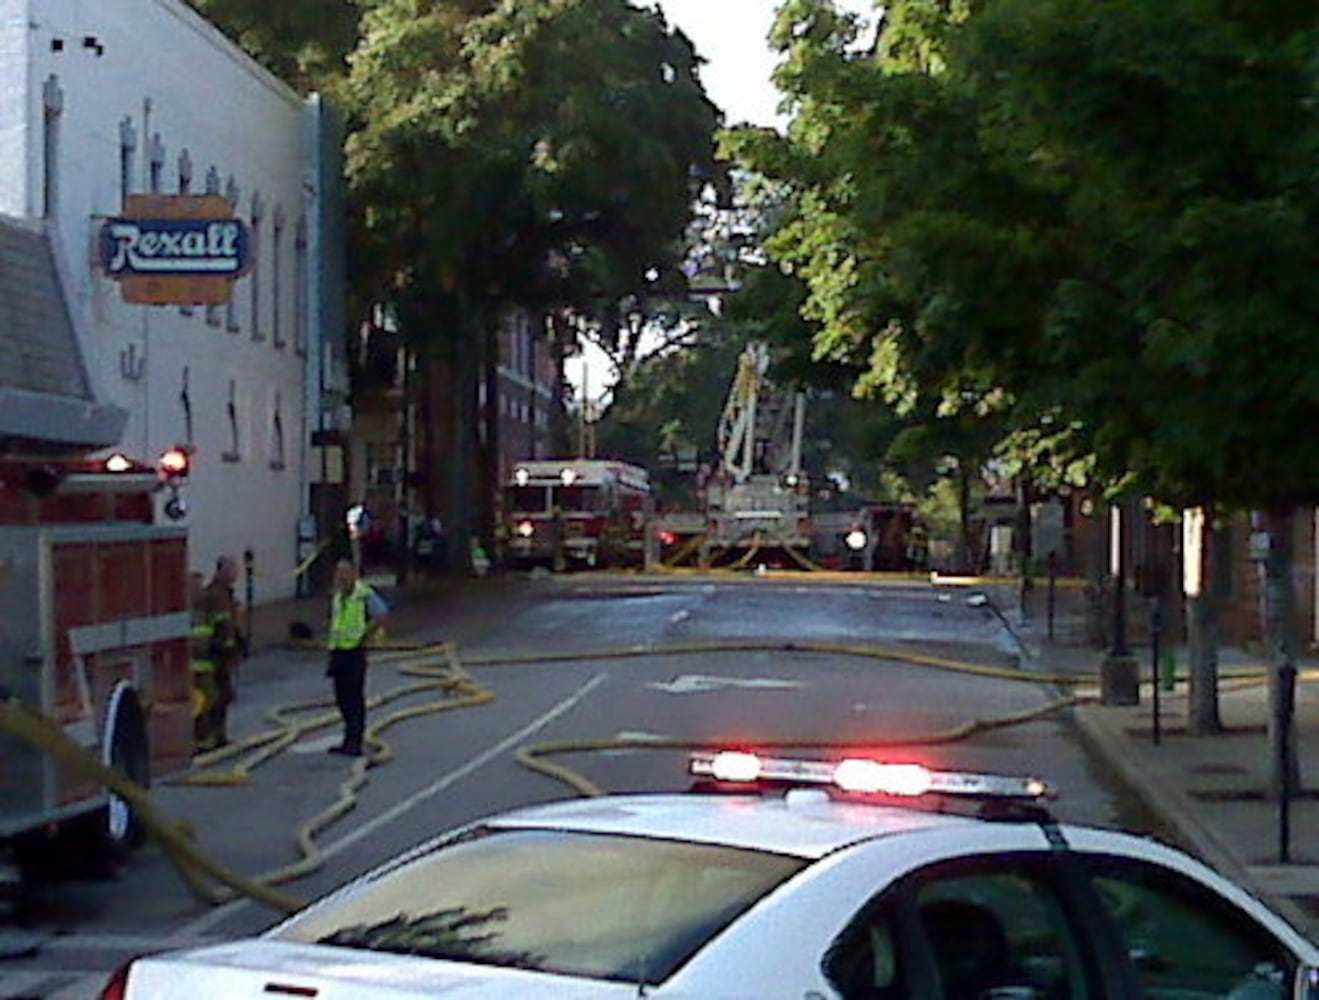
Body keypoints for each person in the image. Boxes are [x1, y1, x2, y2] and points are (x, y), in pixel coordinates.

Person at [326, 559, 389, 757]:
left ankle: (355, 740)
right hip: (338, 652)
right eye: (338, 573)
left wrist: (365, 636)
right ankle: (348, 739)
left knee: (354, 698)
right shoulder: (337, 596)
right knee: (342, 698)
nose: (341, 577)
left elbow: (381, 614)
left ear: (354, 574)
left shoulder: (364, 594)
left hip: (355, 652)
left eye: (345, 573)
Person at [192, 555, 243, 752]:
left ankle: (218, 737)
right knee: (210, 699)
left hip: (221, 656)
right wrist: (226, 645)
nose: (235, 573)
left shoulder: (224, 594)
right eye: (232, 569)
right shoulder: (216, 596)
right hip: (212, 657)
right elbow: (220, 626)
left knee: (222, 696)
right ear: (221, 570)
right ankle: (206, 739)